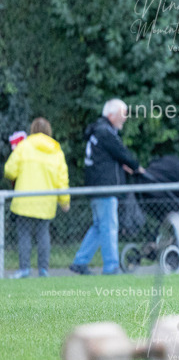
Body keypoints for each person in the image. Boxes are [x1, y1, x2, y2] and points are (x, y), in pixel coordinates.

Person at [69, 99, 144, 276]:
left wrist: (120, 165)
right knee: (109, 226)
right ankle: (111, 267)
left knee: (98, 226)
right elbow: (121, 152)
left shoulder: (98, 131)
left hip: (96, 186)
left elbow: (106, 158)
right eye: (122, 114)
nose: (124, 119)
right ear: (110, 115)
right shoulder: (105, 132)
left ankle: (80, 262)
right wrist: (136, 167)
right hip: (105, 188)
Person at [3, 118, 70, 278]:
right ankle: (43, 270)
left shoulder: (23, 146)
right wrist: (64, 201)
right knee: (43, 234)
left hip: (24, 198)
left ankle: (24, 269)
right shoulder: (56, 150)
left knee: (24, 234)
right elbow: (62, 179)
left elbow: (9, 170)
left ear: (32, 129)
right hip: (46, 200)